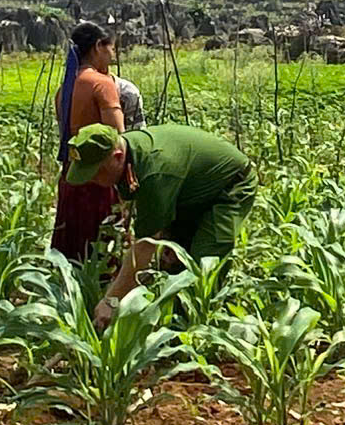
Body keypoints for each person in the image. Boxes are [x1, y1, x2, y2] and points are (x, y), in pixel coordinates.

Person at [64, 122, 257, 322]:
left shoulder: (155, 172)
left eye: (96, 172)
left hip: (230, 186)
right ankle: (175, 316)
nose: (93, 180)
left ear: (117, 157)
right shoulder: (128, 155)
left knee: (204, 265)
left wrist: (111, 300)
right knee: (173, 260)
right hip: (188, 190)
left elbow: (145, 246)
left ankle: (197, 330)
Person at [50, 22, 126, 260]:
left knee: (73, 245)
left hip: (73, 173)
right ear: (97, 47)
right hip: (99, 176)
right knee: (103, 249)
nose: (112, 56)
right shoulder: (102, 84)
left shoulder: (65, 88)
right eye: (110, 48)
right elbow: (117, 135)